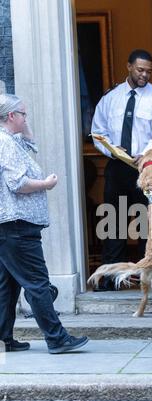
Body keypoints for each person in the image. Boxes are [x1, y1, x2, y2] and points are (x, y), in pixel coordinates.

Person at [0, 93, 89, 354]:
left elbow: (31, 144)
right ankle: (56, 338)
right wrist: (46, 184)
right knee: (38, 283)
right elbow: (18, 184)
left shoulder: (10, 141)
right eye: (23, 114)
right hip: (18, 225)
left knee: (7, 285)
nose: (27, 118)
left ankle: (4, 338)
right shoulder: (5, 143)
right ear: (11, 116)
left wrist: (21, 123)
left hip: (10, 226)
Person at [92, 49, 152, 290]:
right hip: (117, 167)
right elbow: (98, 131)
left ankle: (148, 279)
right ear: (129, 67)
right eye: (140, 70)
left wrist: (146, 153)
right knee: (112, 222)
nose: (144, 75)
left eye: (148, 71)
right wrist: (111, 149)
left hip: (146, 169)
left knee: (147, 224)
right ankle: (110, 280)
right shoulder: (110, 97)